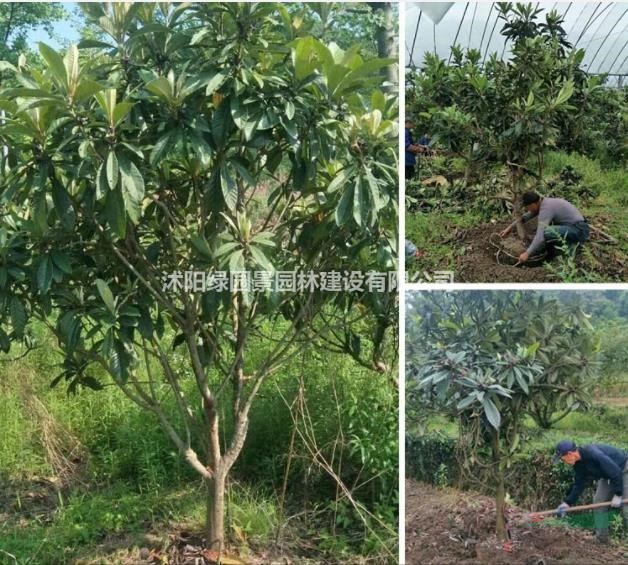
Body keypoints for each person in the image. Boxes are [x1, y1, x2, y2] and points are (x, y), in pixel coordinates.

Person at [553, 439, 627, 543]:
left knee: (626, 507)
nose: (564, 462)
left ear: (570, 454)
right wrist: (567, 502)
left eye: (563, 459)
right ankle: (601, 539)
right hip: (608, 475)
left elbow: (615, 471)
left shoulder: (594, 454)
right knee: (599, 503)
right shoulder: (578, 464)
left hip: (623, 468)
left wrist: (618, 494)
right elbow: (579, 484)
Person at [499, 191, 590, 264]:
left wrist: (527, 253)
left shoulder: (546, 210)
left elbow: (540, 236)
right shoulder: (545, 203)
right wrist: (510, 228)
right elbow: (525, 217)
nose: (528, 210)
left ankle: (571, 247)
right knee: (546, 231)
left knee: (546, 232)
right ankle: (560, 248)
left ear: (534, 203)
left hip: (579, 230)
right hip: (575, 227)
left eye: (528, 207)